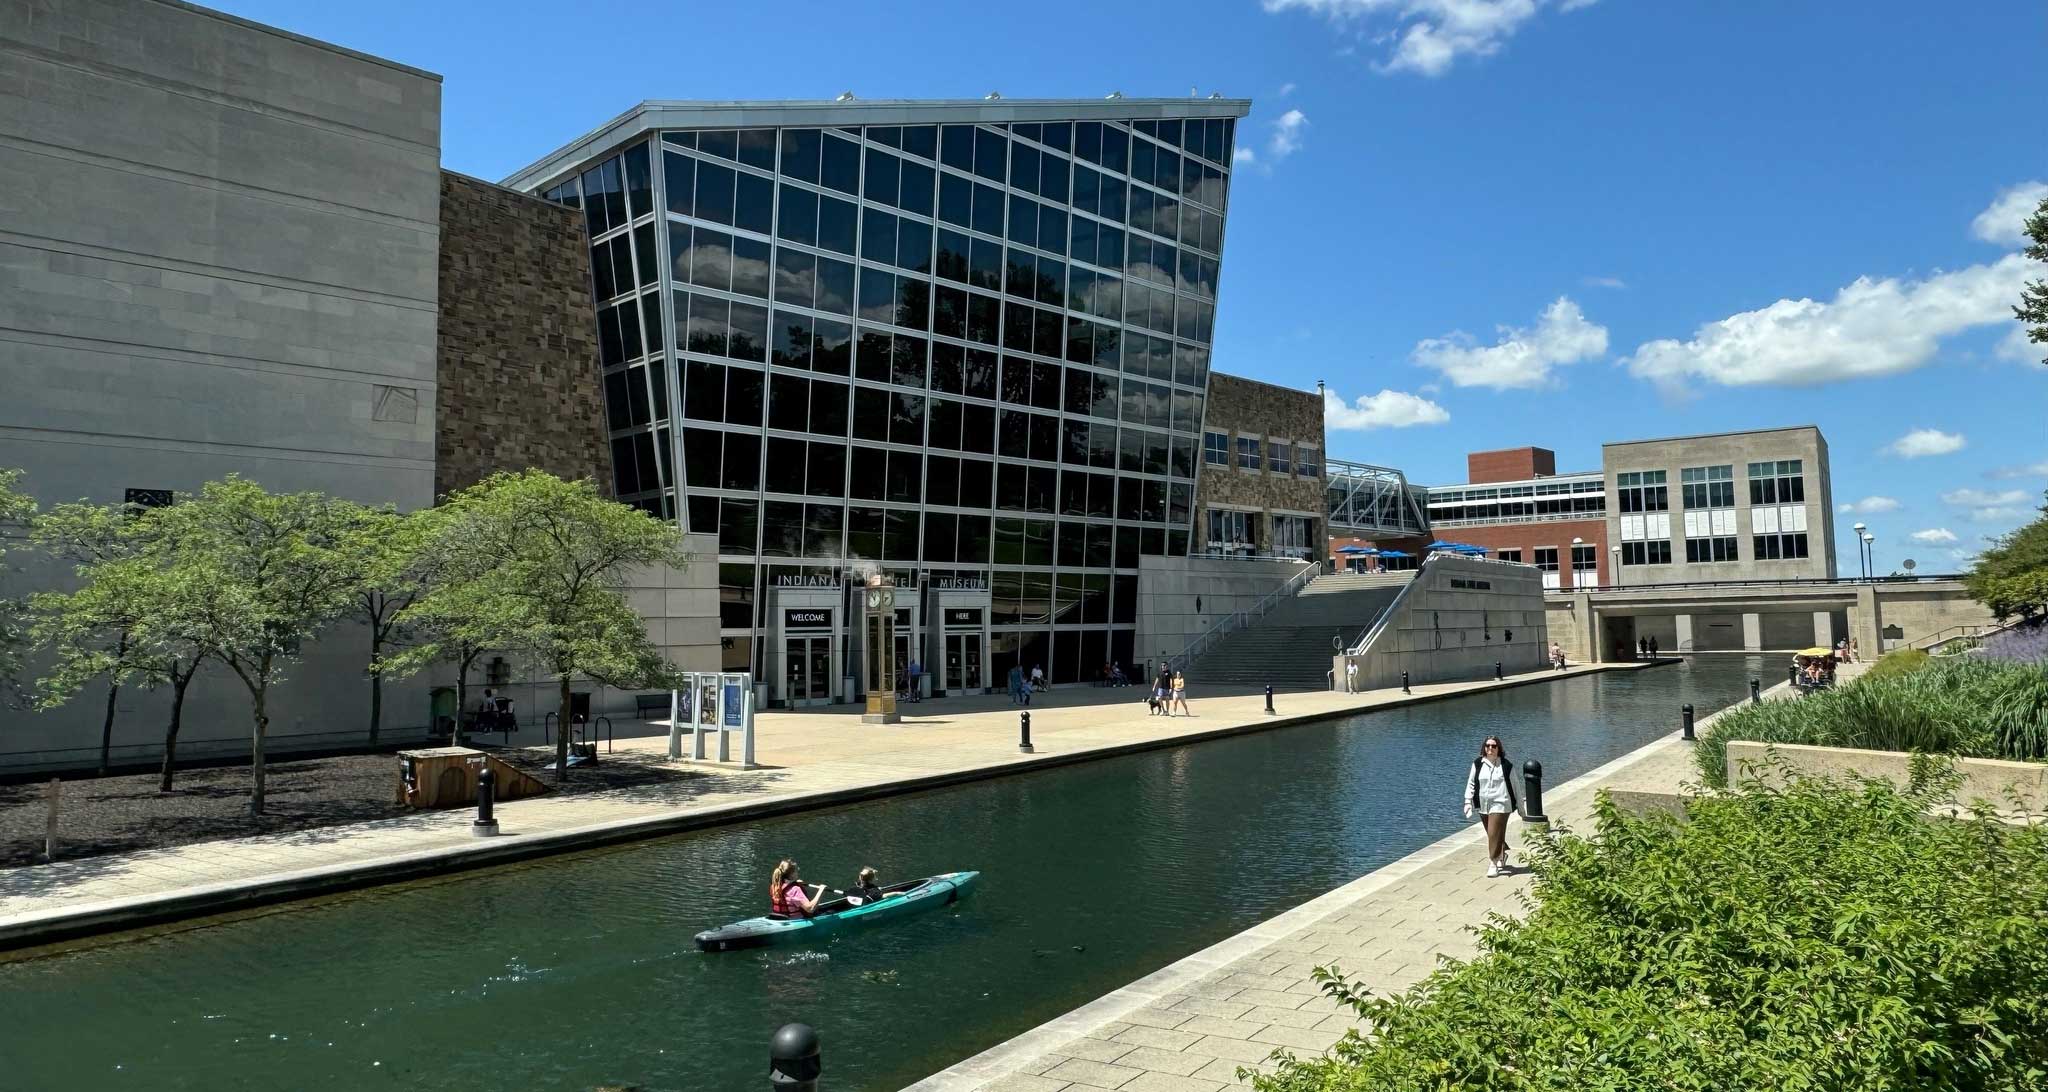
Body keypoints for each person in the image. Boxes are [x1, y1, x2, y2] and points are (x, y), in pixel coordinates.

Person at [1463, 737, 1520, 878]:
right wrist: (1468, 801)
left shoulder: (1506, 766)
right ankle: (1502, 854)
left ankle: (1493, 863)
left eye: (1494, 746)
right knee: (1493, 833)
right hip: (1483, 804)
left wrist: (1521, 808)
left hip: (1502, 804)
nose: (1490, 748)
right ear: (1484, 748)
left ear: (1498, 748)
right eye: (1487, 745)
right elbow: (1471, 783)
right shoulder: (1478, 764)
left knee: (1493, 832)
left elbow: (1516, 786)